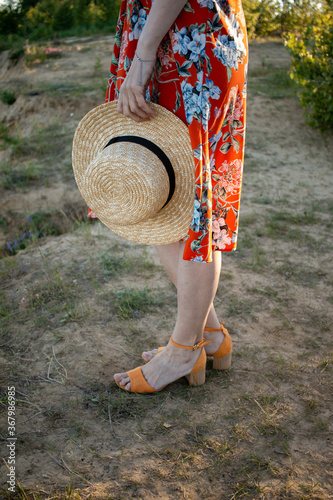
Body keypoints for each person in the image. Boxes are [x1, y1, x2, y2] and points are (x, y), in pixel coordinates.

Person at [88, 0, 248, 393]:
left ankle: (183, 350)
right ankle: (208, 335)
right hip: (173, 43)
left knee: (191, 211)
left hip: (185, 47)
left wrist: (140, 64)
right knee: (163, 201)